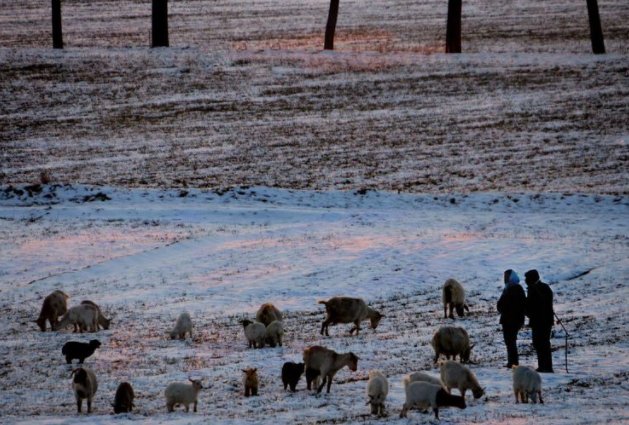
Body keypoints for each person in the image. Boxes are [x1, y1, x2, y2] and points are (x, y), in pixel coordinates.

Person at [524, 269, 554, 373]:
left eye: (527, 278)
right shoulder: (544, 287)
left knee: (541, 343)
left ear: (531, 279)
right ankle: (544, 366)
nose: (525, 280)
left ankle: (546, 367)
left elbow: (533, 305)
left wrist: (527, 310)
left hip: (540, 321)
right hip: (544, 321)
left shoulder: (535, 289)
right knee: (541, 343)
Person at [497, 269, 526, 368]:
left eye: (506, 276)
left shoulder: (515, 289)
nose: (504, 278)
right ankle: (512, 361)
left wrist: (505, 309)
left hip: (512, 320)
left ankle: (513, 362)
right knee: (509, 341)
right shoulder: (509, 288)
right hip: (508, 319)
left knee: (510, 341)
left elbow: (515, 305)